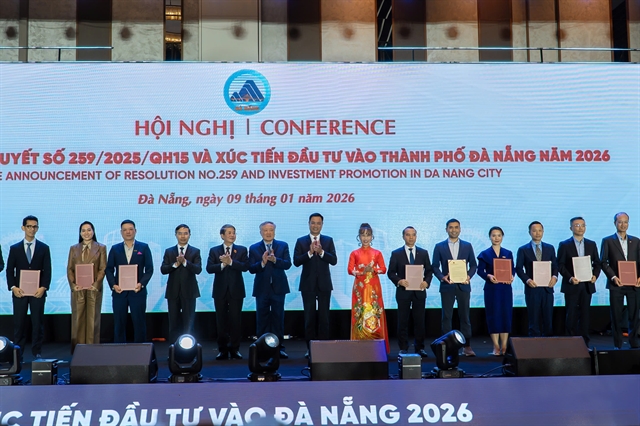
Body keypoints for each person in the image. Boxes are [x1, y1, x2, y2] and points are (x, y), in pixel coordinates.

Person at [6, 215, 52, 359]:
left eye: (35, 226)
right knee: (19, 324)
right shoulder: (15, 248)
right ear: (23, 228)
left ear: (37, 228)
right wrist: (13, 287)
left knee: (37, 323)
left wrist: (43, 287)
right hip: (20, 292)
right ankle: (18, 353)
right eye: (29, 226)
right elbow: (9, 270)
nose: (32, 229)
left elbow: (47, 270)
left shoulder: (44, 248)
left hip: (37, 292)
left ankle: (37, 352)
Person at [293, 213, 337, 358]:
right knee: (309, 318)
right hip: (308, 285)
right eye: (313, 223)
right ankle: (310, 349)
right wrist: (310, 252)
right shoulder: (301, 241)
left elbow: (334, 260)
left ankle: (323, 348)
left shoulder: (328, 240)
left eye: (318, 223)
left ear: (322, 225)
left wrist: (321, 252)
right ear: (309, 224)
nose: (315, 225)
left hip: (324, 284)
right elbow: (296, 261)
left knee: (324, 318)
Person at [432, 218, 477, 356]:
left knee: (465, 316)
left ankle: (467, 346)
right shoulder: (439, 246)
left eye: (456, 227)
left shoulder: (467, 246)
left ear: (460, 229)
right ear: (446, 229)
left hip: (464, 286)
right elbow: (435, 266)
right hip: (447, 286)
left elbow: (473, 265)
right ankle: (447, 346)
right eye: (451, 227)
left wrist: (468, 276)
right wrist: (442, 277)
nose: (454, 230)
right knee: (447, 317)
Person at [387, 226, 432, 357]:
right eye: (408, 235)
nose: (411, 237)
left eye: (413, 235)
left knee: (419, 321)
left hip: (419, 291)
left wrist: (426, 282)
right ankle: (403, 348)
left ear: (416, 236)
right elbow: (391, 273)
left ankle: (420, 348)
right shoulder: (396, 253)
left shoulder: (423, 253)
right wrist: (399, 281)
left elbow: (429, 271)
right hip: (403, 292)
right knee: (403, 321)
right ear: (403, 237)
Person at [106, 219, 154, 343]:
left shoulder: (143, 247)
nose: (128, 232)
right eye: (125, 230)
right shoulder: (115, 249)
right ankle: (119, 350)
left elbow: (149, 269)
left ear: (135, 231)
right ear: (121, 232)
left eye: (130, 229)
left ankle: (140, 350)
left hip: (138, 292)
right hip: (119, 292)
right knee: (119, 323)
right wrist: (113, 285)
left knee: (139, 322)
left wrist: (141, 284)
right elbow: (109, 269)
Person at [249, 221, 291, 359]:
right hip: (262, 289)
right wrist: (263, 262)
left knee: (278, 319)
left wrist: (275, 260)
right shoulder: (254, 248)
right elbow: (251, 268)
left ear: (274, 231)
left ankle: (279, 348)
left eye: (271, 230)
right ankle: (261, 348)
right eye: (265, 230)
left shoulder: (283, 245)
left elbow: (287, 264)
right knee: (262, 319)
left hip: (279, 288)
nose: (268, 233)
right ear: (261, 232)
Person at [207, 224, 249, 360]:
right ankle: (223, 350)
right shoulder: (214, 250)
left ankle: (235, 349)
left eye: (234, 232)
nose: (232, 235)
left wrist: (231, 262)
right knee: (221, 321)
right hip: (220, 291)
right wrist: (222, 264)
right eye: (229, 232)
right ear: (222, 235)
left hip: (236, 291)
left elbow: (245, 267)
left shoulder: (242, 250)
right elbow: (209, 268)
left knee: (236, 321)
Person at [557, 217, 601, 347]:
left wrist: (595, 275)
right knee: (571, 314)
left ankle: (584, 343)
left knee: (585, 314)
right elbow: (560, 265)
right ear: (571, 228)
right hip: (572, 284)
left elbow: (597, 263)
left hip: (587, 285)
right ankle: (570, 342)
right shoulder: (564, 245)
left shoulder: (591, 244)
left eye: (583, 225)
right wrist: (570, 278)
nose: (580, 228)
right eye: (577, 225)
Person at [600, 212, 640, 349]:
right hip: (616, 283)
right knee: (616, 316)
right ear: (615, 223)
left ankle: (634, 343)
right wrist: (613, 277)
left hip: (634, 284)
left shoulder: (636, 241)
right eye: (620, 222)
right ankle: (617, 344)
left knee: (634, 315)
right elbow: (603, 262)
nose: (623, 225)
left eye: (625, 222)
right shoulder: (608, 241)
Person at [66, 221, 107, 353]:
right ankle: (78, 352)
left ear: (93, 232)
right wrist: (73, 285)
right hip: (78, 289)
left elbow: (103, 268)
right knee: (78, 320)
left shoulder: (101, 248)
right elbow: (70, 269)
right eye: (83, 230)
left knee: (93, 320)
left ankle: (92, 352)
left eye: (89, 230)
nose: (86, 233)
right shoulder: (74, 248)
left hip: (93, 289)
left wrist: (96, 285)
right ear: (80, 233)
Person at [348, 223, 389, 353]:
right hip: (360, 287)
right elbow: (350, 270)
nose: (365, 238)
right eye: (363, 235)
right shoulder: (354, 253)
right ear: (359, 237)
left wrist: (374, 270)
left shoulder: (377, 253)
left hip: (373, 287)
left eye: (368, 235)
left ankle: (376, 345)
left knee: (375, 313)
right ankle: (359, 345)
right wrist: (361, 272)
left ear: (372, 237)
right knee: (360, 313)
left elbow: (383, 269)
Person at [516, 221, 559, 337]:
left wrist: (555, 277)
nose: (537, 233)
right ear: (529, 232)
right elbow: (519, 268)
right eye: (534, 231)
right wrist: (527, 280)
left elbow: (555, 266)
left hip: (547, 288)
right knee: (533, 318)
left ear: (543, 231)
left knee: (548, 318)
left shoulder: (550, 248)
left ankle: (548, 342)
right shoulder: (523, 249)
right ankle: (534, 343)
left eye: (540, 230)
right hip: (532, 288)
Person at [160, 224, 202, 343]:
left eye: (185, 233)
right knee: (173, 323)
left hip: (189, 292)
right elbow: (163, 269)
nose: (183, 236)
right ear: (176, 235)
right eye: (180, 233)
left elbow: (198, 269)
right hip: (173, 292)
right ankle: (173, 349)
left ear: (189, 235)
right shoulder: (169, 251)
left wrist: (185, 262)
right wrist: (175, 264)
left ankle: (189, 349)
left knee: (189, 323)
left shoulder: (195, 251)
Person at [477, 226, 515, 356]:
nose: (496, 238)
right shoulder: (485, 254)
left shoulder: (508, 253)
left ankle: (504, 346)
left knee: (505, 315)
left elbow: (512, 269)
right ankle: (496, 346)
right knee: (493, 316)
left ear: (502, 237)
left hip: (505, 288)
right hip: (491, 289)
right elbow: (480, 271)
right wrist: (488, 276)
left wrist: (512, 276)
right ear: (489, 237)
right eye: (493, 235)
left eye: (499, 235)